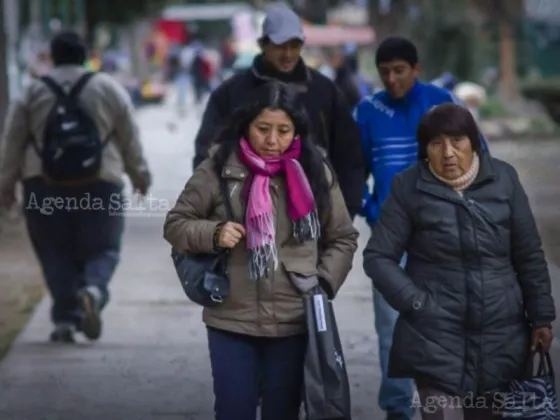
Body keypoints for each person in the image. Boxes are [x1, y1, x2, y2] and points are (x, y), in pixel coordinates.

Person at [164, 81, 358, 420]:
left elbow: (342, 237)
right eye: (263, 129)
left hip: (295, 321)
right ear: (246, 126)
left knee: (282, 412)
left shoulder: (315, 172)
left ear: (296, 130)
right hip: (231, 319)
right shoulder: (218, 168)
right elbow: (176, 224)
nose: (272, 141)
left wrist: (322, 285)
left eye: (284, 130)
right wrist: (214, 233)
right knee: (233, 410)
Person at [363, 103, 555, 420]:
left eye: (457, 140)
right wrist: (417, 303)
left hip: (502, 338)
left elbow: (529, 254)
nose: (448, 153)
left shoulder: (504, 179)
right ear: (425, 150)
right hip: (435, 340)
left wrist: (541, 317)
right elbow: (378, 257)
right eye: (436, 143)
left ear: (474, 142)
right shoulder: (408, 187)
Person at [353, 37, 489, 420]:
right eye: (385, 73)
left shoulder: (442, 104)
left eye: (400, 71)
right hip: (390, 241)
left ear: (417, 68)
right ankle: (398, 409)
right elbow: (349, 171)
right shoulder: (367, 111)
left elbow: (481, 161)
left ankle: (446, 405)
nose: (392, 79)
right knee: (392, 329)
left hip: (444, 236)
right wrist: (368, 207)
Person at [0, 31, 151, 343]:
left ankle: (65, 320)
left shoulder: (32, 91)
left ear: (52, 57)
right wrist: (139, 175)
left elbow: (12, 140)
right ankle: (94, 289)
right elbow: (129, 136)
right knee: (105, 247)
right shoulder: (108, 87)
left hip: (43, 185)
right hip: (100, 183)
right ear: (85, 56)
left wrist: (6, 184)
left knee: (54, 250)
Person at [192, 4, 365, 219]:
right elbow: (207, 152)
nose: (288, 54)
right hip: (244, 216)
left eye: (294, 45)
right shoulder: (231, 93)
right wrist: (215, 209)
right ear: (263, 44)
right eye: (280, 46)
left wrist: (345, 210)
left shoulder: (324, 92)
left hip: (314, 215)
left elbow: (349, 155)